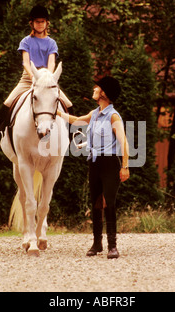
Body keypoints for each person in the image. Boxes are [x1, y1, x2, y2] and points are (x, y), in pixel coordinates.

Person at [57, 76, 130, 259]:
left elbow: (124, 143)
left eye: (97, 87)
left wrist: (125, 167)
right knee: (96, 203)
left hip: (110, 163)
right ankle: (97, 244)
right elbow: (76, 120)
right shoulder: (95, 113)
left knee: (109, 203)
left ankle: (112, 246)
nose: (94, 89)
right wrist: (56, 112)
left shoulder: (113, 116)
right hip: (94, 162)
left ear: (103, 93)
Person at [0, 5, 72, 149]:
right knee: (7, 103)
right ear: (32, 23)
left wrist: (47, 77)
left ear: (47, 23)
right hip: (28, 78)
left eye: (42, 21)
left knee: (68, 104)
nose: (40, 24)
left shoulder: (51, 43)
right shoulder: (26, 41)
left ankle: (73, 134)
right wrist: (34, 76)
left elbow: (51, 62)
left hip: (46, 79)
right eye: (37, 22)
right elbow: (26, 62)